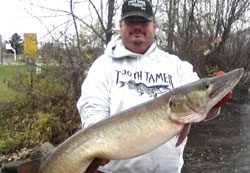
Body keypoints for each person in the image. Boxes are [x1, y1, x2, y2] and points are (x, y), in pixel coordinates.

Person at [77, 0, 231, 172]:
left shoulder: (176, 65)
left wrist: (216, 100)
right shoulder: (104, 65)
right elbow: (92, 106)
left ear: (154, 25)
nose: (137, 27)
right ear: (120, 25)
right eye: (130, 21)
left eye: (143, 21)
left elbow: (197, 107)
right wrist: (98, 146)